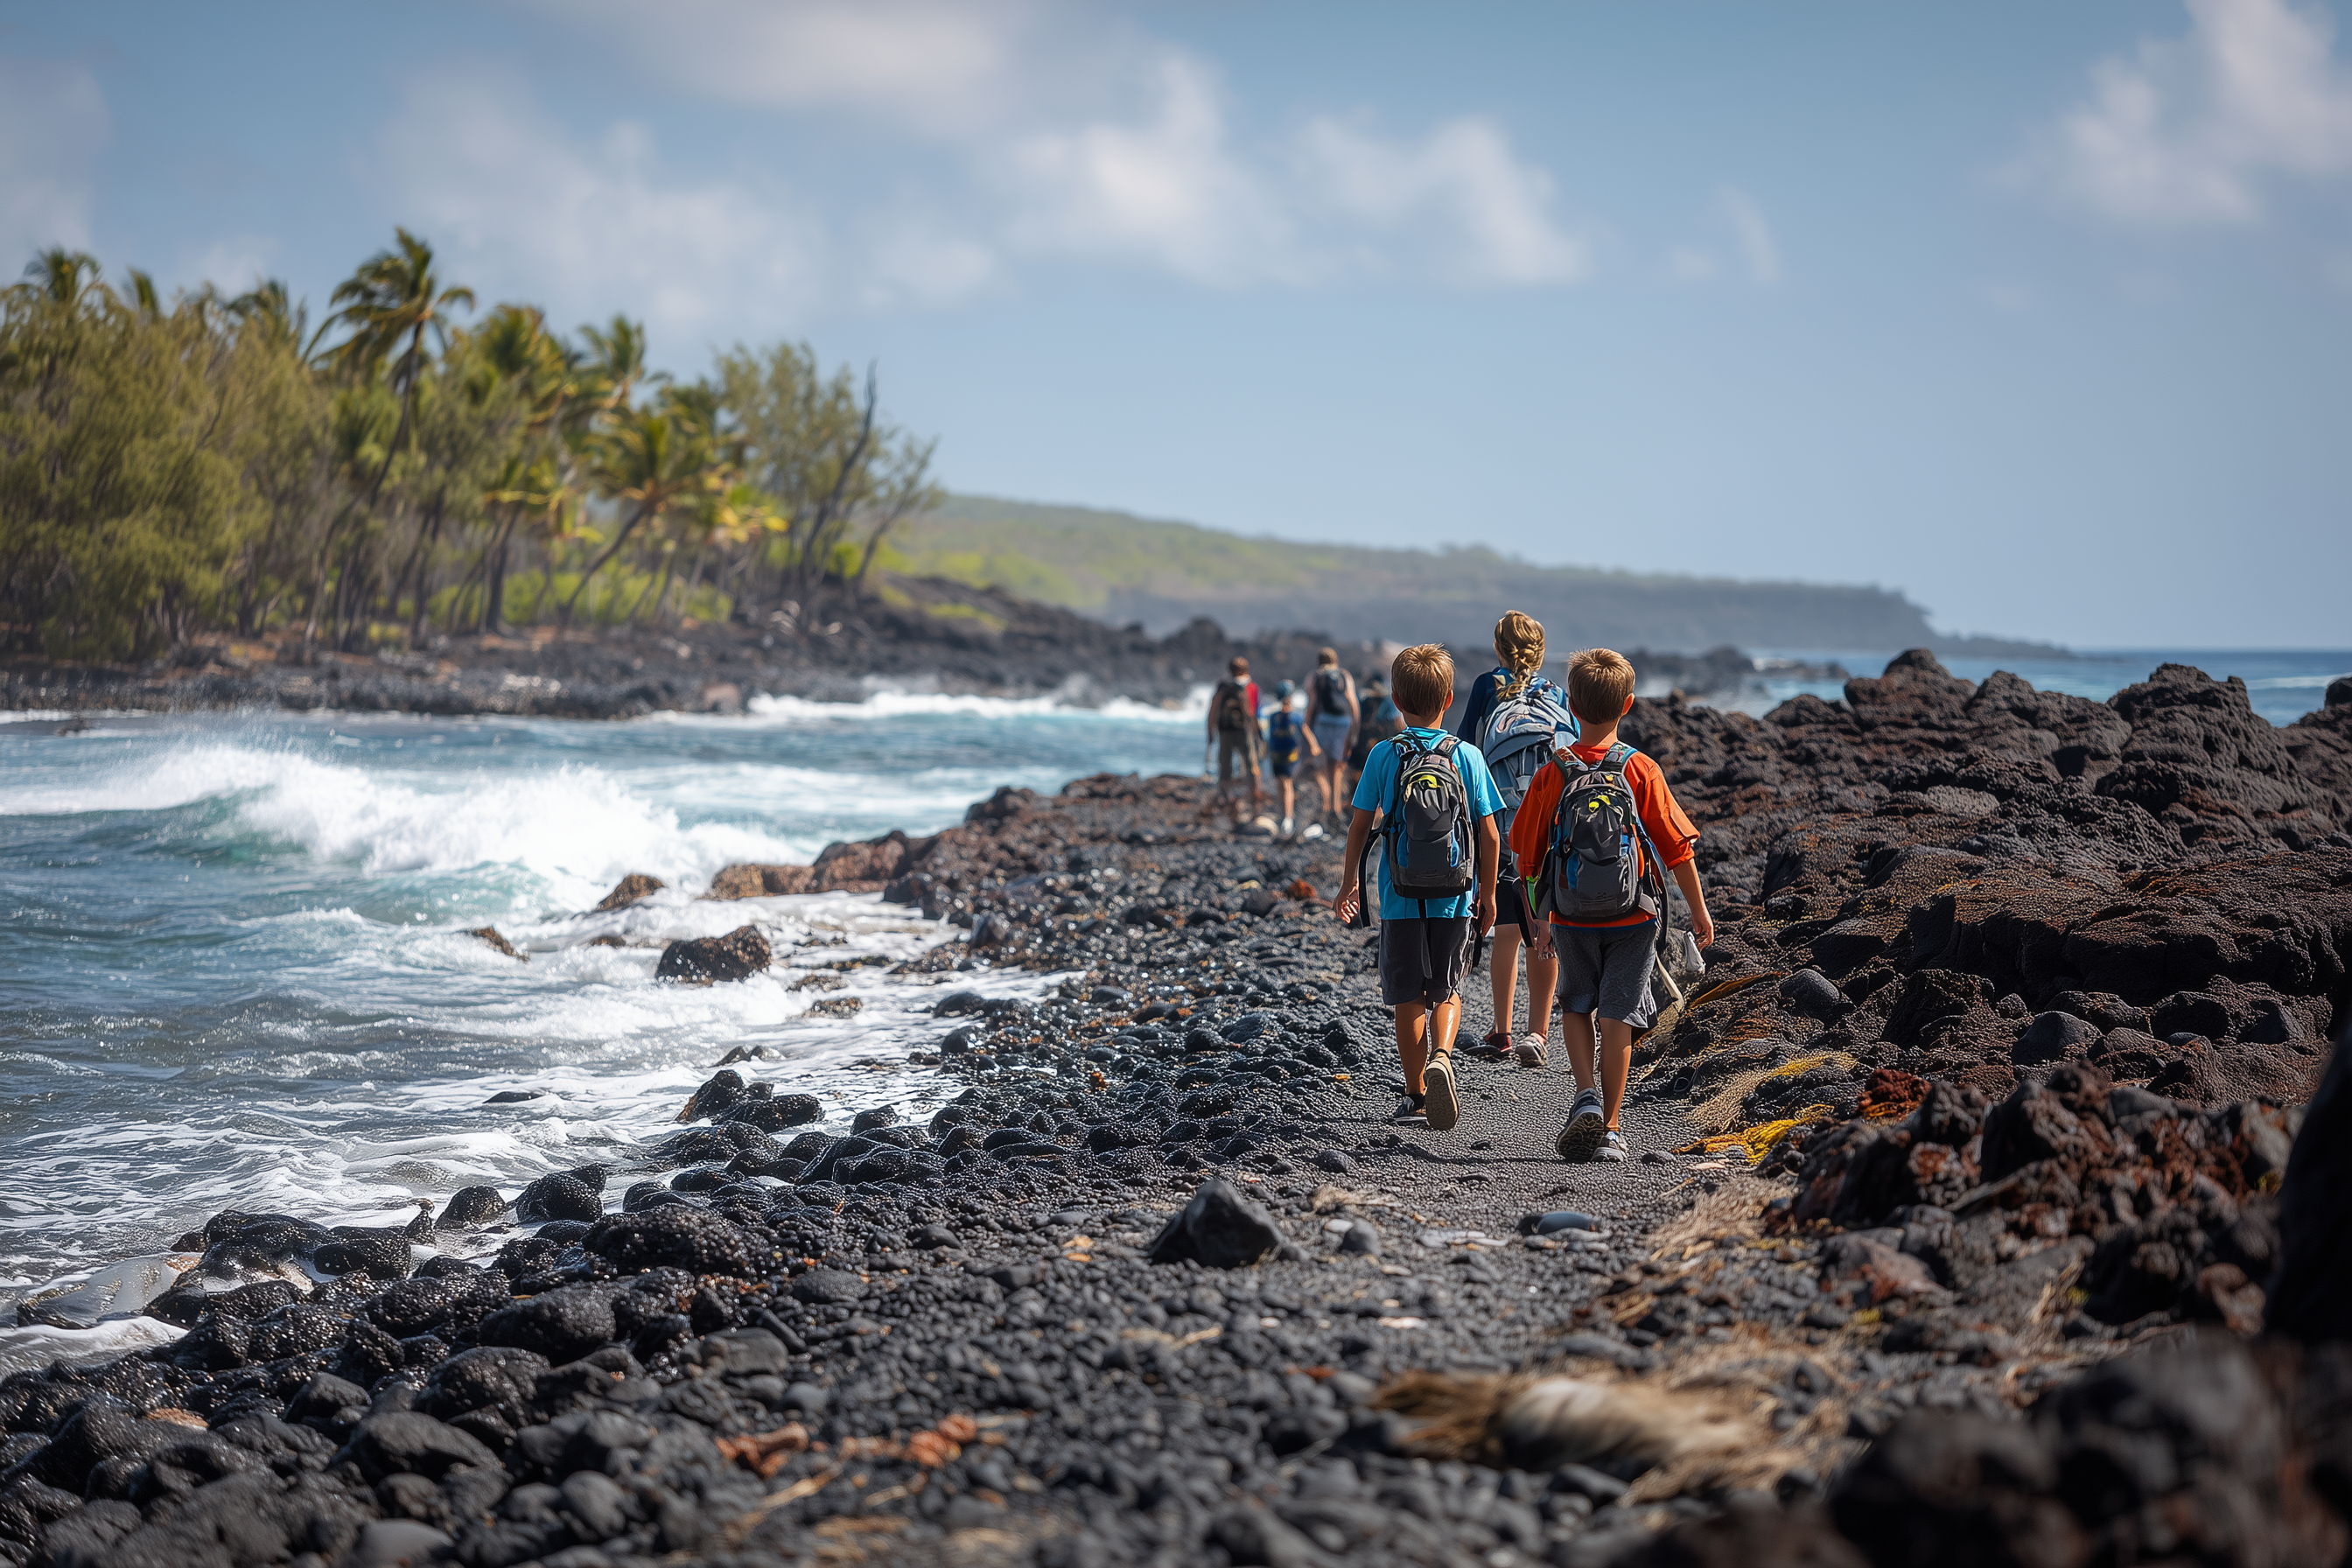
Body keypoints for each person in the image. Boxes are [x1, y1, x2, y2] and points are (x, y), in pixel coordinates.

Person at [1509, 648, 1713, 1164]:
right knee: (1619, 1015)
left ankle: (1584, 1098)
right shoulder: (1640, 769)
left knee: (1576, 1003)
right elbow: (1677, 850)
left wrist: (1539, 916)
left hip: (1571, 913)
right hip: (1637, 915)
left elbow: (1527, 856)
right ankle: (1613, 1128)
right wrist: (1700, 911)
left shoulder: (1553, 772)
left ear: (1570, 703)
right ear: (1627, 704)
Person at [1333, 644, 1502, 1134]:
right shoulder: (1466, 755)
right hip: (1456, 894)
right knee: (1447, 987)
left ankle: (1415, 1095)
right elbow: (1490, 833)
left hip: (1399, 896)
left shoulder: (1385, 754)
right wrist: (1488, 895)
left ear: (1395, 698)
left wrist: (1350, 885)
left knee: (1407, 995)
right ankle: (1443, 1057)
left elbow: (1360, 826)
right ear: (1449, 698)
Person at [1458, 611, 1575, 1069]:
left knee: (1505, 928)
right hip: (1545, 826)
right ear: (1540, 651)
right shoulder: (1555, 694)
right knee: (1542, 929)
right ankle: (1539, 1033)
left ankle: (1502, 1030)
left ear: (1498, 648)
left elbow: (1466, 745)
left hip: (1502, 828)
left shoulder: (1488, 687)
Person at [1305, 648, 1358, 822]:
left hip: (1323, 721)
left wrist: (1307, 726)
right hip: (1342, 722)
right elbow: (1352, 702)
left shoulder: (1315, 676)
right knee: (1337, 765)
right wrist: (1354, 728)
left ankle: (1327, 805)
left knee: (1321, 764)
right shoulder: (1344, 675)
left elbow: (1312, 703)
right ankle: (1335, 807)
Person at [1264, 680, 1320, 837]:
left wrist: (1314, 746)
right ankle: (1285, 817)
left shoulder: (1274, 716)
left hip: (1282, 755)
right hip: (1286, 755)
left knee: (1284, 785)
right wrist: (1314, 746)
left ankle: (1287, 818)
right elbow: (1305, 731)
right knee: (1283, 785)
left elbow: (1270, 737)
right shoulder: (1293, 716)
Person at [1208, 656, 1263, 816]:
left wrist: (1210, 731)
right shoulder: (1251, 687)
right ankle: (1254, 801)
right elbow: (1252, 712)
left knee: (1225, 765)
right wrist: (1258, 734)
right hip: (1244, 730)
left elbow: (1213, 709)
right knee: (1251, 764)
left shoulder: (1223, 686)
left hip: (1224, 730)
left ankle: (1227, 799)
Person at [1346, 674, 1401, 802]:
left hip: (1362, 743)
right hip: (1384, 743)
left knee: (1360, 774)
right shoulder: (1389, 701)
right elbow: (1396, 722)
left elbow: (1355, 720)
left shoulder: (1364, 700)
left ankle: (1353, 800)